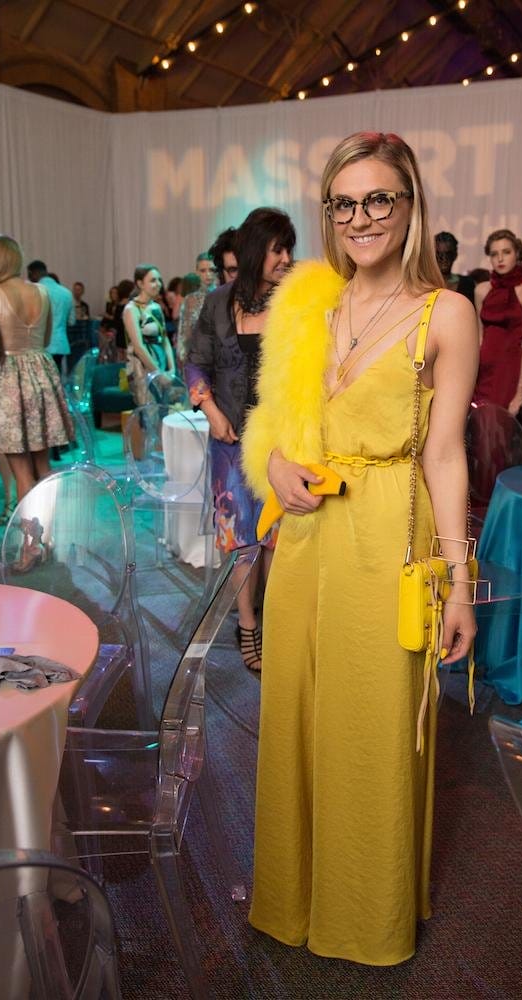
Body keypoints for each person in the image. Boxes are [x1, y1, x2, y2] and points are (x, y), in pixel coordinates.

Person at [241, 132, 478, 964]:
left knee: (373, 730)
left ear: (409, 206)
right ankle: (292, 900)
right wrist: (274, 463)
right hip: (304, 544)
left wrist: (457, 585)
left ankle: (363, 917)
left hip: (389, 536)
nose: (360, 219)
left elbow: (445, 455)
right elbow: (277, 425)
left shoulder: (445, 313)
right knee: (297, 715)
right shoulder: (309, 305)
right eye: (344, 204)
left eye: (378, 199)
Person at [185, 209, 295, 672]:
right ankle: (247, 624)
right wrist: (209, 410)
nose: (287, 258)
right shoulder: (217, 302)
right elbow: (194, 362)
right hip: (230, 446)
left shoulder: (295, 303)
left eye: (290, 248)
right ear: (255, 252)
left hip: (280, 447)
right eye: (278, 249)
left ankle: (272, 623)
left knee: (275, 539)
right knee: (239, 542)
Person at [0, 234, 73, 505]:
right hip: (42, 374)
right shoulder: (42, 291)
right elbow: (47, 340)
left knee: (22, 473)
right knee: (44, 466)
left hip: (8, 382)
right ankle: (50, 535)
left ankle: (31, 544)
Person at [473, 228, 522, 415]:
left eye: (506, 252)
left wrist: (521, 391)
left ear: (517, 254)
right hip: (482, 370)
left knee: (501, 434)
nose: (500, 259)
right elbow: (479, 338)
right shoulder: (481, 290)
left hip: (509, 371)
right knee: (479, 432)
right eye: (494, 254)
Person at [122, 264, 176, 406]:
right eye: (153, 280)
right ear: (140, 283)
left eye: (159, 280)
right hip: (141, 366)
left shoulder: (156, 307)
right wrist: (158, 373)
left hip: (160, 361)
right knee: (148, 411)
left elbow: (165, 340)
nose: (158, 284)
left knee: (164, 409)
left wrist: (172, 368)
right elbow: (138, 346)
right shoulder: (131, 309)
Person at [27, 259, 75, 376]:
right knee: (56, 379)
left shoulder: (32, 290)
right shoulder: (66, 292)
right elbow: (72, 321)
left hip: (38, 344)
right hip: (60, 344)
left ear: (33, 273)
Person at [176, 252, 217, 367]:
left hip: (222, 359)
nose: (208, 274)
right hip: (198, 359)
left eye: (212, 270)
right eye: (203, 271)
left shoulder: (226, 295)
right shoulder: (190, 300)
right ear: (197, 272)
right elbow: (184, 333)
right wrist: (183, 358)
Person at [434, 231, 475, 304]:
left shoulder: (467, 284)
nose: (444, 259)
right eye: (439, 255)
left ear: (455, 255)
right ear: (433, 255)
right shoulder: (423, 284)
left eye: (448, 254)